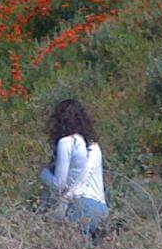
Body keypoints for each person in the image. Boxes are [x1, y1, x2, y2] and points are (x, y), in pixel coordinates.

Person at [39, 99, 109, 239]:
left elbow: (59, 185)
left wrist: (43, 173)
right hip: (101, 210)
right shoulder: (94, 146)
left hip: (80, 208)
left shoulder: (66, 142)